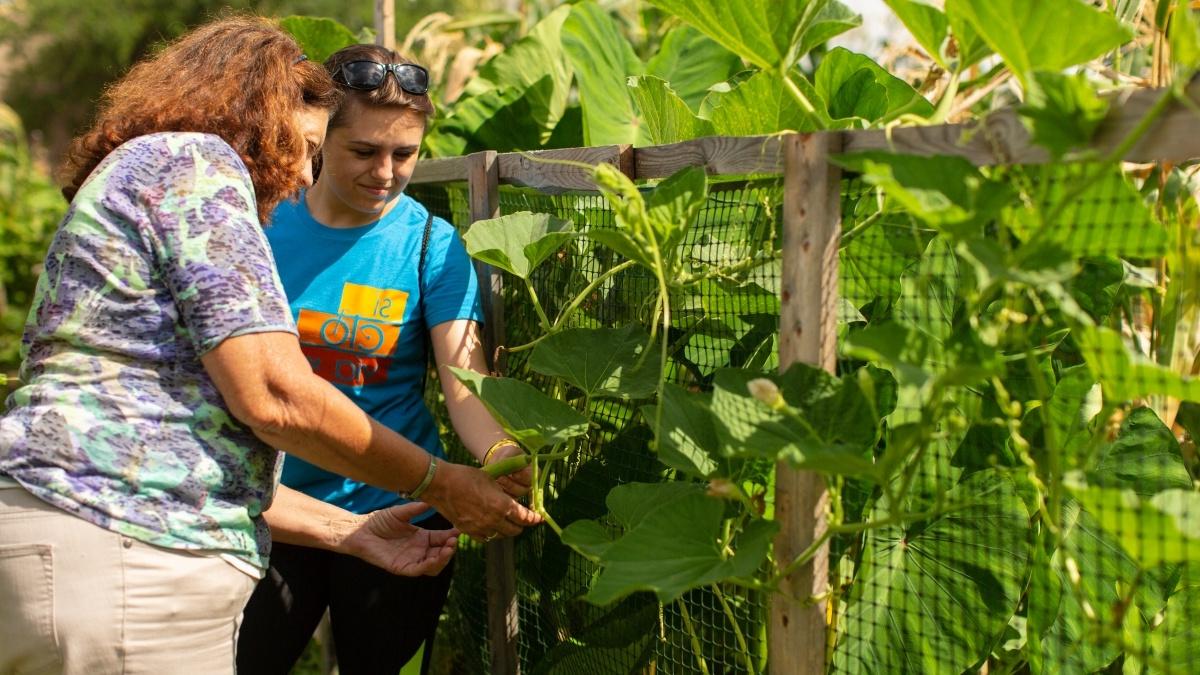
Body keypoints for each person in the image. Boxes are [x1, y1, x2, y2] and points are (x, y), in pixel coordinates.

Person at [0, 16, 538, 675]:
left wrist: (489, 462)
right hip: (130, 551)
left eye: (405, 154)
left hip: (113, 530)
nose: (298, 174)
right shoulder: (199, 176)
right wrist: (440, 479)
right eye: (308, 146)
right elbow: (273, 394)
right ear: (258, 114)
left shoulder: (149, 169)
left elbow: (185, 419)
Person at [236, 44, 532, 675]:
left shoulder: (430, 242)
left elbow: (466, 381)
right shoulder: (259, 225)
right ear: (317, 139)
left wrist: (501, 454)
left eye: (405, 153)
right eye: (364, 152)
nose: (387, 172)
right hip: (270, 510)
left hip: (399, 514)